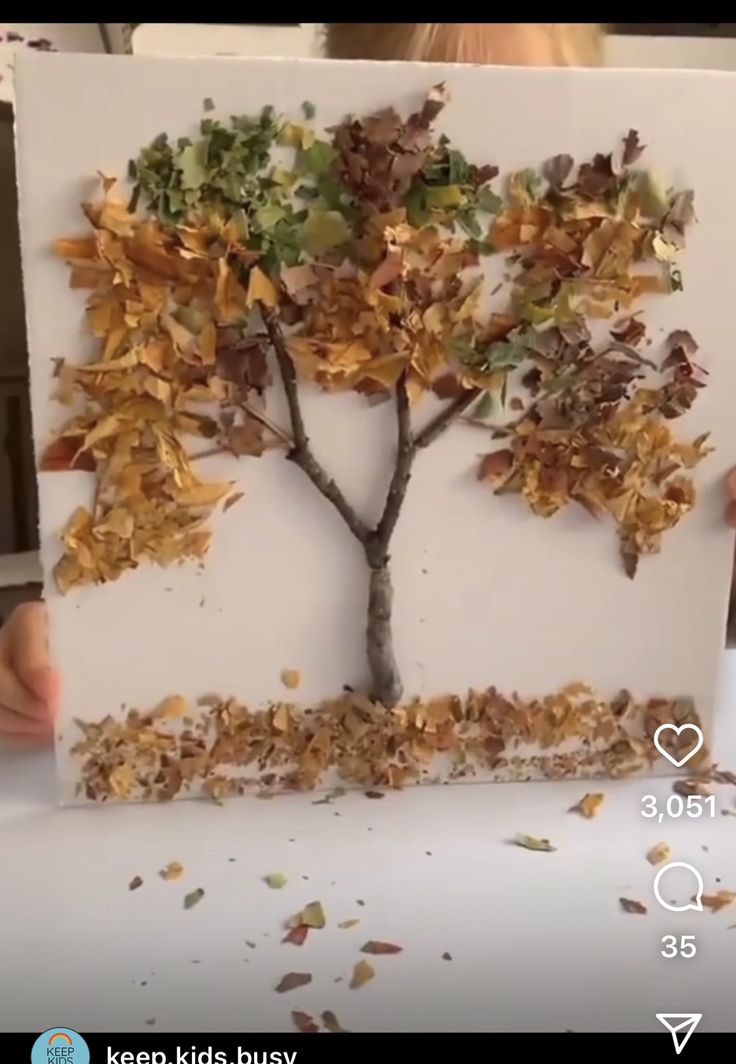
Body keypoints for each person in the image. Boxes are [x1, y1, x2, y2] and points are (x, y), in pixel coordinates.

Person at [1, 23, 733, 743]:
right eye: (419, 149)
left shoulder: (603, 329)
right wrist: (57, 642)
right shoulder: (301, 303)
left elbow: (675, 610)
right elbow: (154, 590)